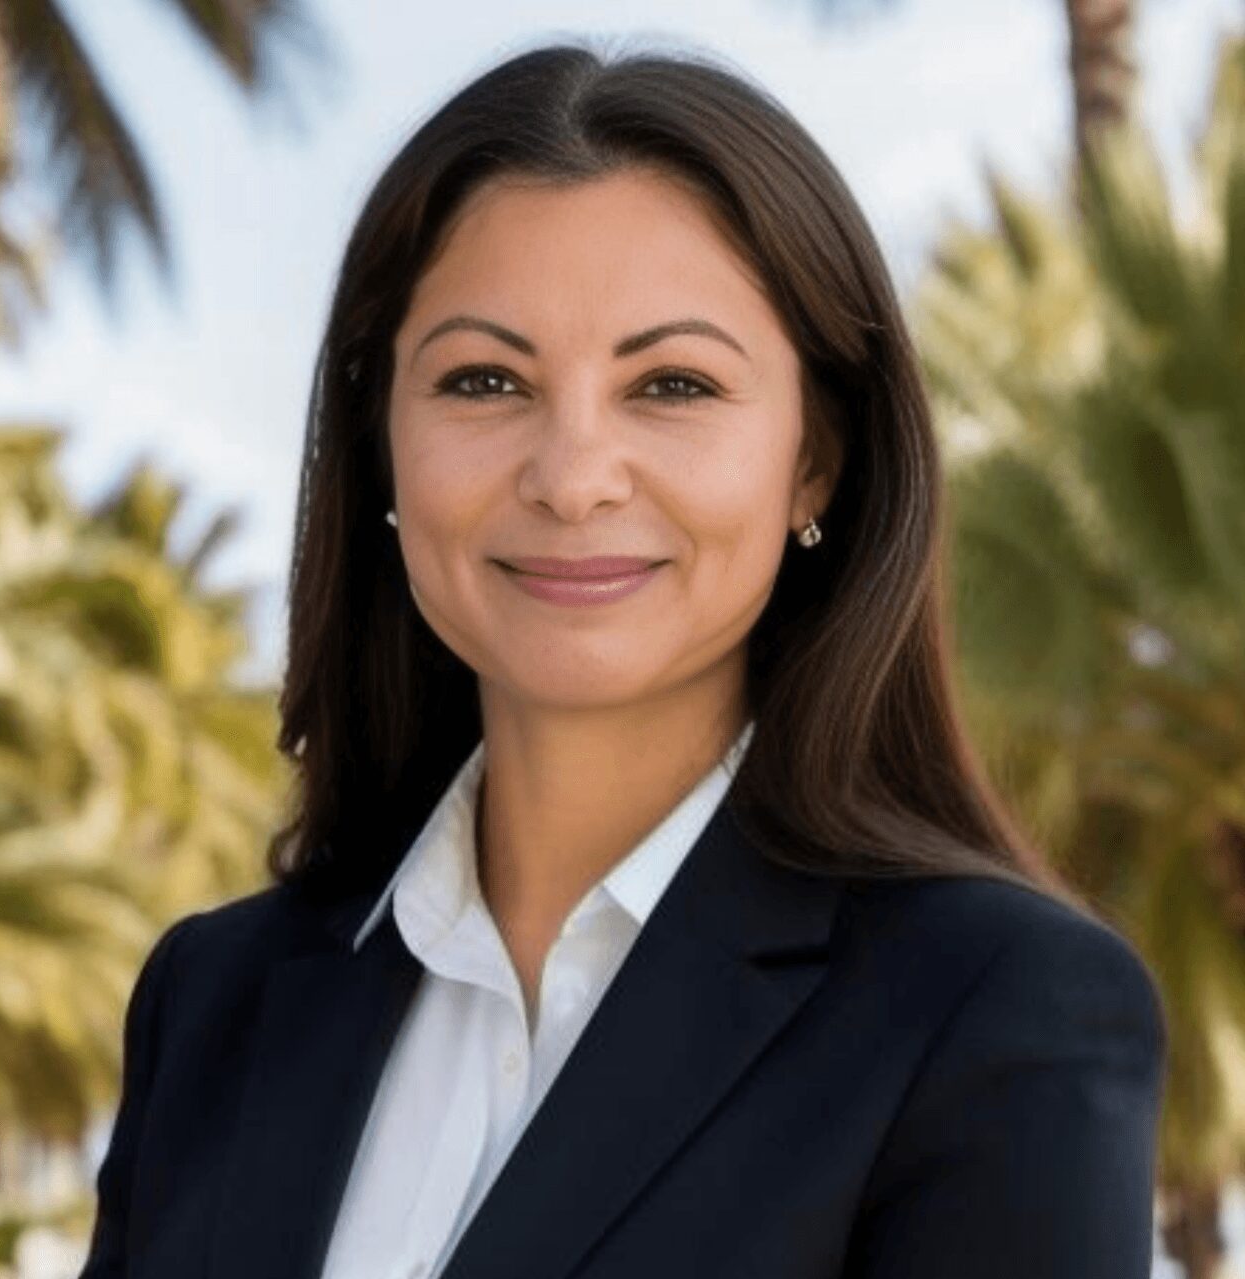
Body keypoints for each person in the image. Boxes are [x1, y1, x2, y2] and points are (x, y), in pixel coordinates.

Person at [76, 38, 1168, 1279]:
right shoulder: (210, 1004)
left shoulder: (996, 1011)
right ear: (380, 442)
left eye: (673, 385)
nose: (572, 476)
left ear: (813, 460)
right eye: (484, 380)